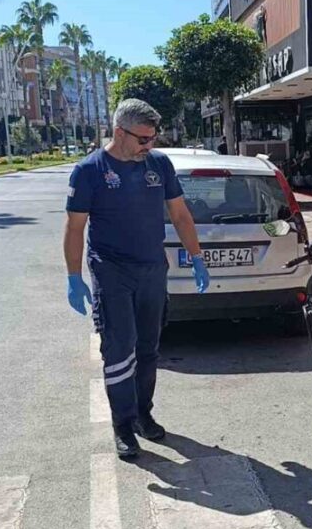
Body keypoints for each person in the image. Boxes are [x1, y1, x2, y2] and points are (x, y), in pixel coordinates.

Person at [63, 98, 210, 459]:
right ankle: (123, 424)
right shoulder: (89, 171)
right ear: (119, 132)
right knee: (119, 348)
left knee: (148, 348)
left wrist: (197, 256)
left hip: (151, 270)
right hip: (112, 271)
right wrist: (73, 275)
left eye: (153, 138)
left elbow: (180, 214)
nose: (150, 146)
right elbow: (75, 227)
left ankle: (144, 413)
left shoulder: (158, 165)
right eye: (143, 139)